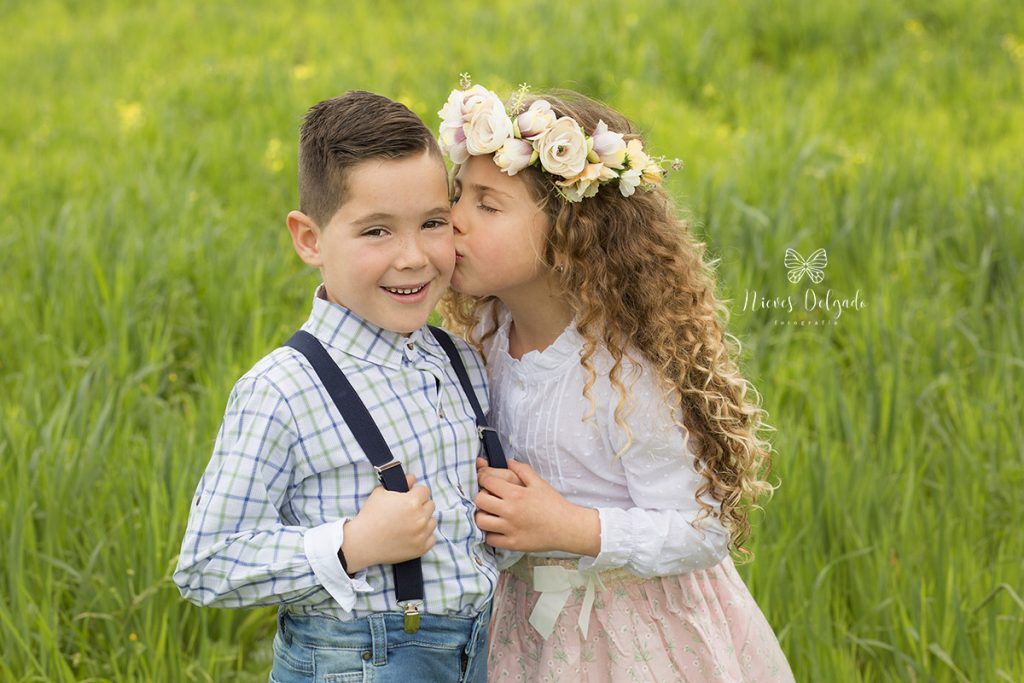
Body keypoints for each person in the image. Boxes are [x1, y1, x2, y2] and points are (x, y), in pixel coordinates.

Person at [437, 80, 795, 681]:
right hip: (525, 627)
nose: (454, 221)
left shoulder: (624, 370)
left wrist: (569, 527)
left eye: (487, 205)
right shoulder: (480, 344)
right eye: (457, 195)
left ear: (570, 233)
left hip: (634, 629)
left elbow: (701, 528)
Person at [174, 90, 501, 683]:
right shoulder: (283, 390)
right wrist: (351, 544)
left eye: (433, 224)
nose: (413, 258)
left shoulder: (459, 357)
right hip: (361, 661)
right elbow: (207, 563)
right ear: (309, 239)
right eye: (376, 232)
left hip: (481, 651)